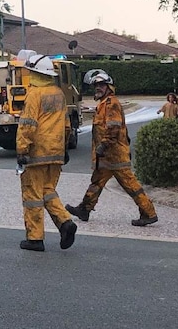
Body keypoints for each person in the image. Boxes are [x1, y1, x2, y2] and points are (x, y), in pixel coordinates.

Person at [66, 69, 159, 227]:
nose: (98, 88)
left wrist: (103, 145)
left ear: (109, 86)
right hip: (106, 156)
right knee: (96, 182)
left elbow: (113, 127)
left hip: (115, 155)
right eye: (96, 85)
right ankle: (85, 209)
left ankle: (149, 212)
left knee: (130, 185)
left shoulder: (111, 103)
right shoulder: (103, 104)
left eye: (102, 85)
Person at [15, 54, 77, 252]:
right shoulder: (59, 94)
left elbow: (27, 125)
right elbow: (67, 125)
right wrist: (65, 148)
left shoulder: (34, 95)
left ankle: (35, 239)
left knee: (32, 195)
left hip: (36, 153)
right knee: (47, 191)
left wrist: (22, 149)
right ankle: (65, 222)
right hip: (56, 152)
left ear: (35, 73)